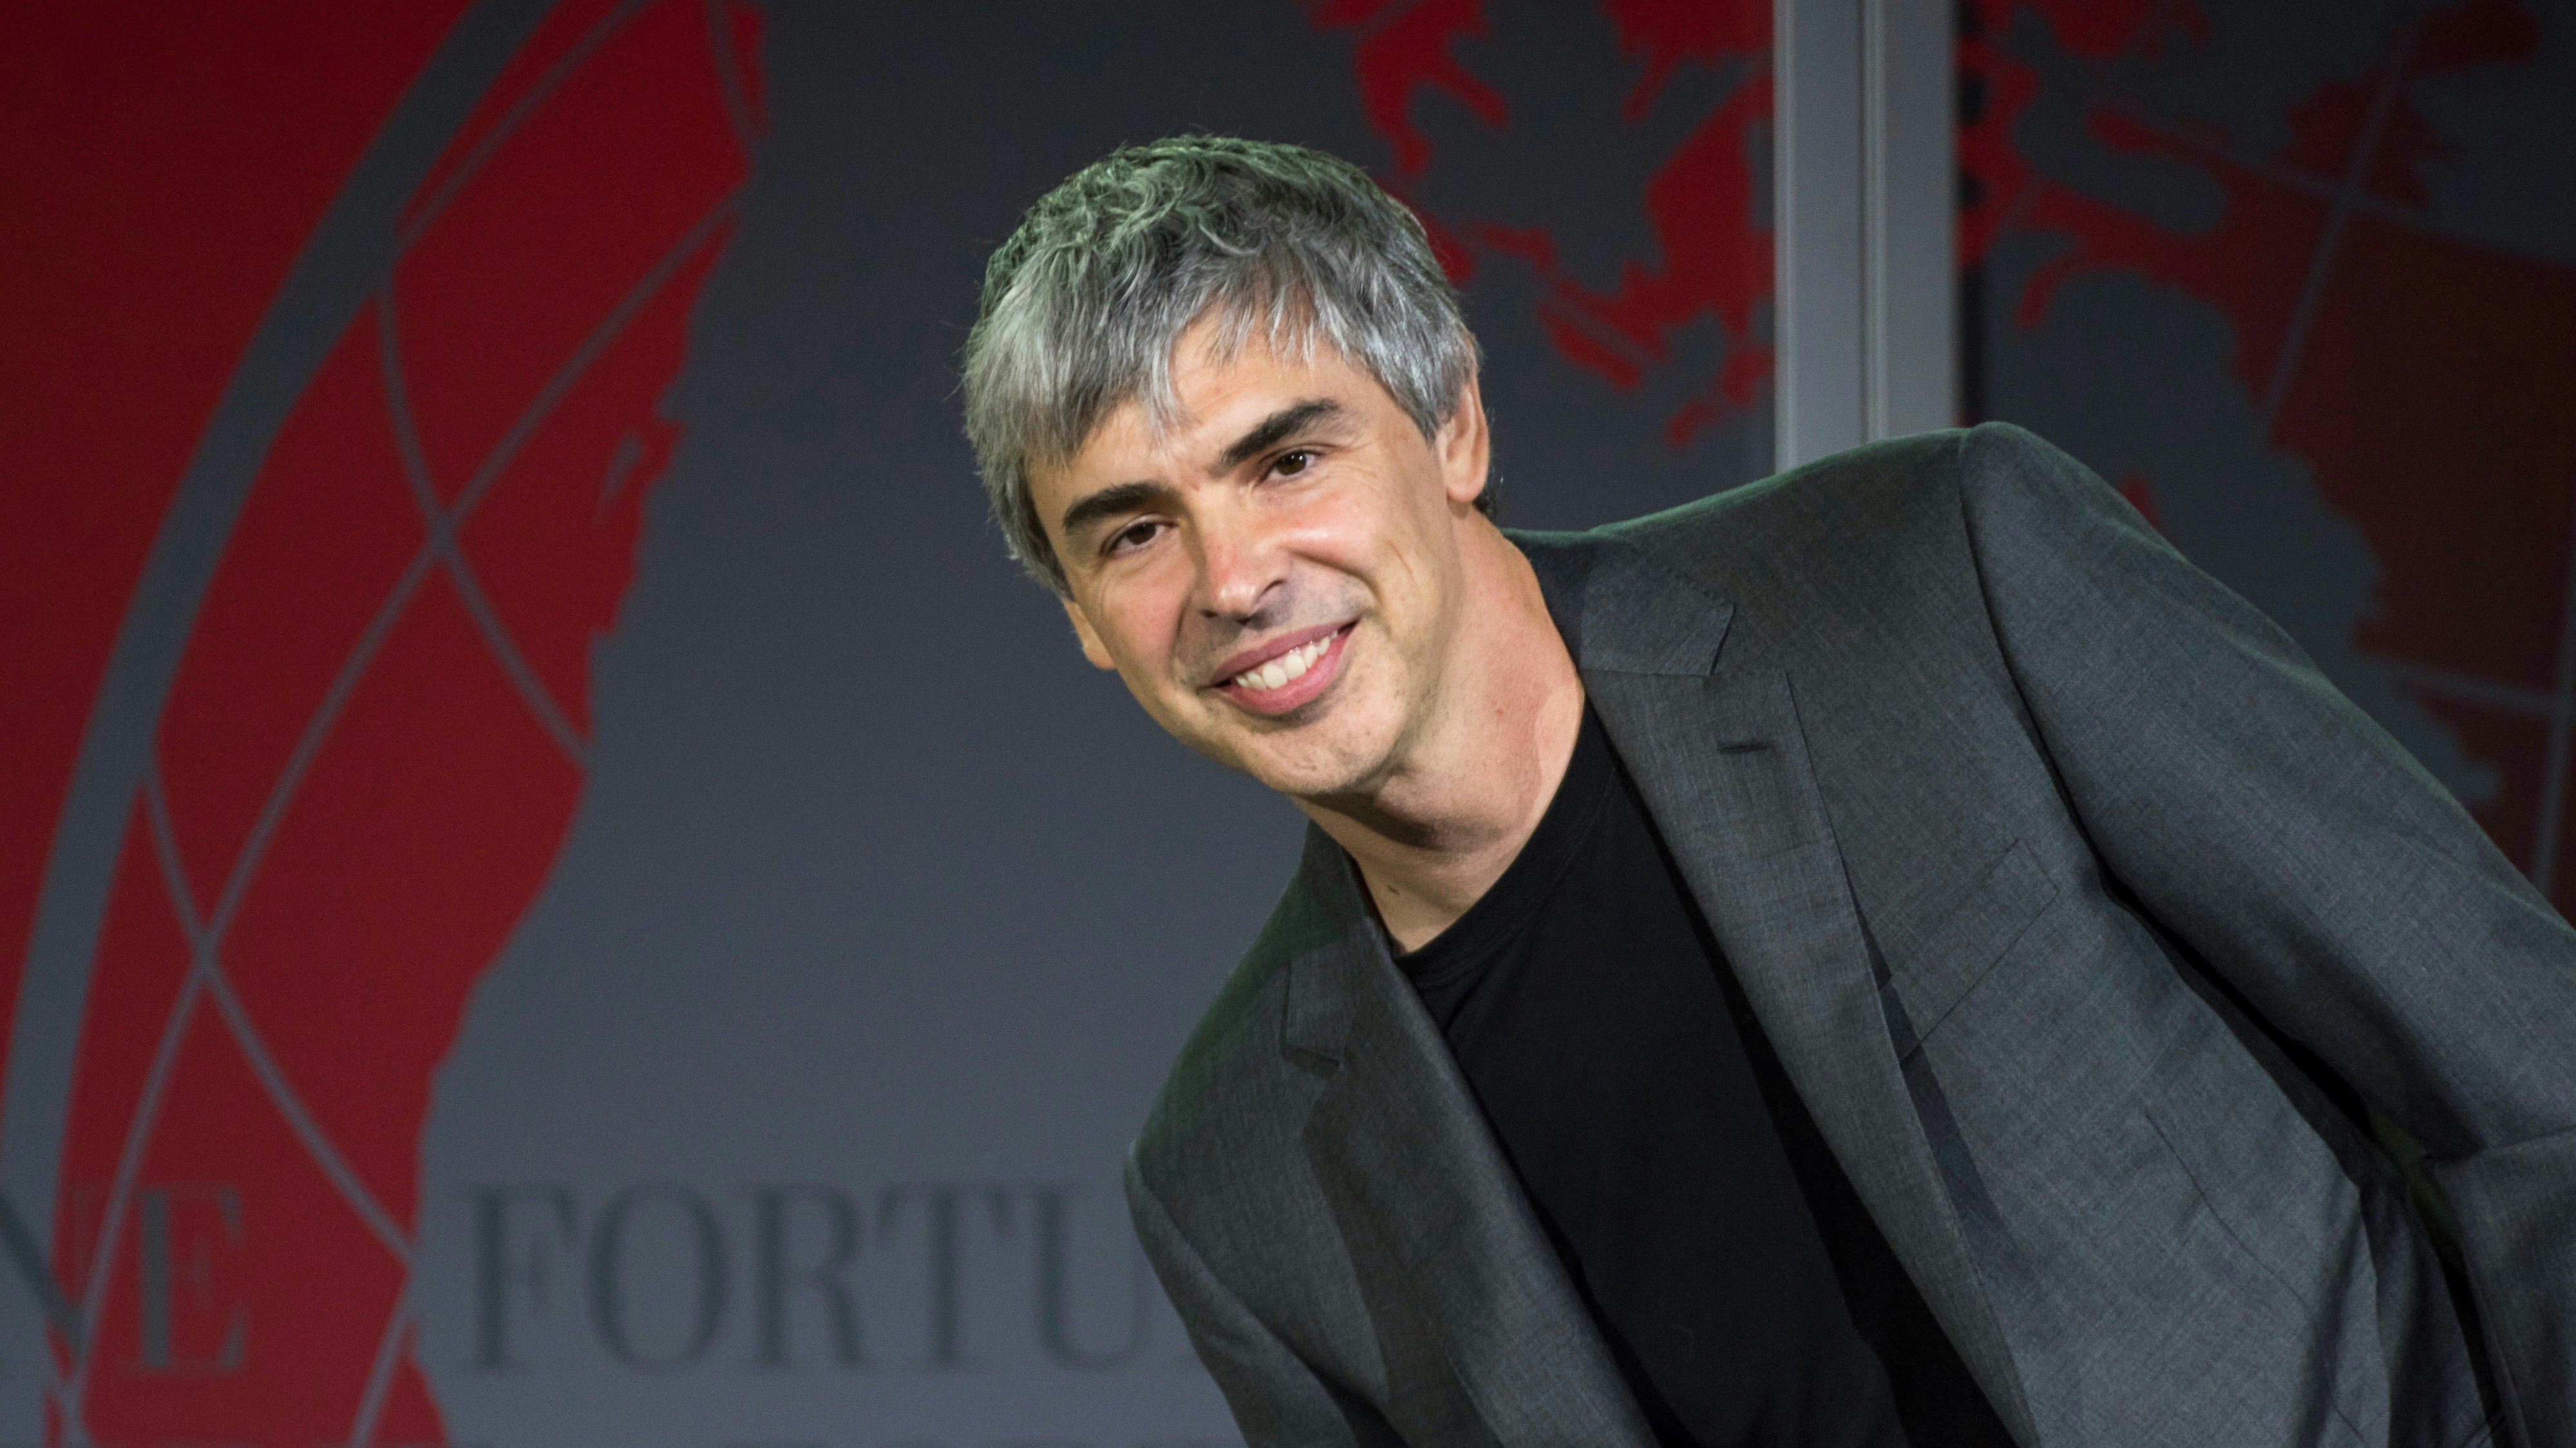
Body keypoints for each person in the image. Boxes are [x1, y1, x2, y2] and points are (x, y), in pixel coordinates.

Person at [958, 135, 2576, 1447]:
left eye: (1285, 460)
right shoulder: (1233, 1179)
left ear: (1450, 425)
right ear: (1087, 626)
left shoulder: (1938, 580)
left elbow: (2528, 1085)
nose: (1234, 577)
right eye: (1132, 531)